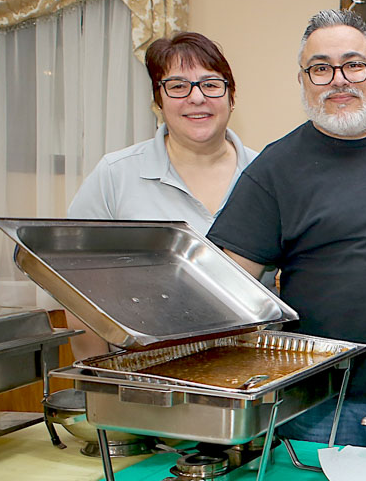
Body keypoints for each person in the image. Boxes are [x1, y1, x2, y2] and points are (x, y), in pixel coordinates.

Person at [208, 9, 366, 448]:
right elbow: (227, 282)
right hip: (323, 407)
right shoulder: (276, 169)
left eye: (353, 64)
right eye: (320, 68)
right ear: (302, 81)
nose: (339, 79)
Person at [67, 32, 258, 359]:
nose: (196, 99)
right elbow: (75, 288)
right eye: (178, 86)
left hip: (250, 378)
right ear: (158, 100)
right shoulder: (115, 175)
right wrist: (97, 379)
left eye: (211, 84)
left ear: (232, 96)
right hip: (145, 381)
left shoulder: (267, 175)